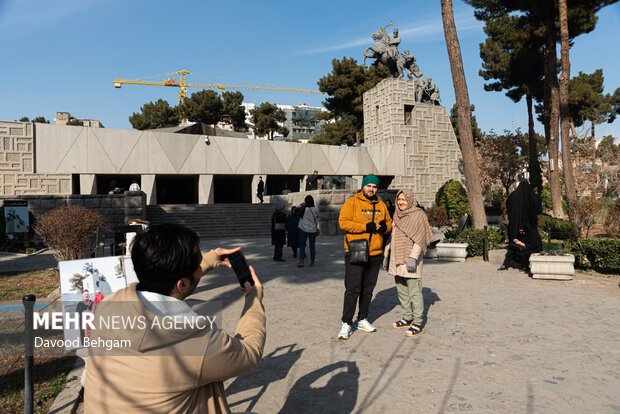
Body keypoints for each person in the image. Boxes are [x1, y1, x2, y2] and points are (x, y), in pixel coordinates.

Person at [84, 223, 266, 413]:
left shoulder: (109, 305)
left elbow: (168, 287)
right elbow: (250, 353)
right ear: (182, 284)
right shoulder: (196, 341)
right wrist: (254, 299)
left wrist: (208, 261)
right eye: (197, 262)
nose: (200, 263)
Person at [338, 175, 392, 339]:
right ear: (363, 187)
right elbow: (343, 222)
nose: (371, 189)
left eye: (374, 187)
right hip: (356, 251)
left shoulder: (381, 204)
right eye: (368, 186)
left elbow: (389, 222)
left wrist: (384, 227)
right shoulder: (352, 203)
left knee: (368, 289)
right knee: (353, 289)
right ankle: (346, 323)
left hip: (375, 253)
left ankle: (362, 319)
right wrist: (365, 227)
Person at [383, 189, 432, 337]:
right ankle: (407, 317)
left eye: (404, 199)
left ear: (410, 200)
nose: (401, 202)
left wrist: (413, 258)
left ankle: (417, 323)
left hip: (411, 260)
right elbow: (392, 237)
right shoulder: (397, 215)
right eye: (399, 199)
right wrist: (386, 255)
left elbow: (420, 239)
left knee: (414, 293)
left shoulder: (418, 215)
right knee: (402, 292)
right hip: (396, 259)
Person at [297, 195, 319, 267]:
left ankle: (301, 261)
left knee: (302, 245)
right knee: (312, 246)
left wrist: (301, 204)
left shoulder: (303, 209)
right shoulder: (316, 209)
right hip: (312, 230)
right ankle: (312, 262)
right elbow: (317, 217)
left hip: (303, 229)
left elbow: (296, 210)